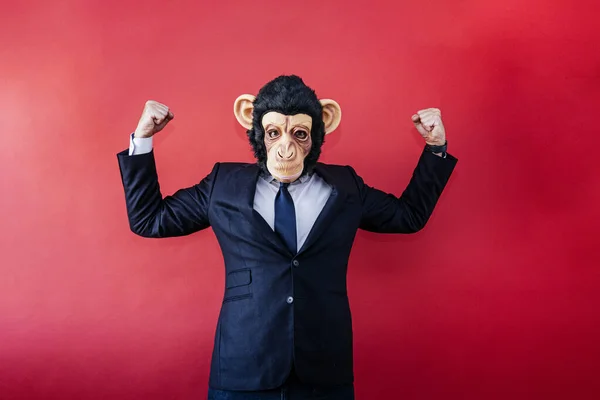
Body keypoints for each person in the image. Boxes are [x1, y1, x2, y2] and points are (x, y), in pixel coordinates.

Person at [116, 75, 457, 400]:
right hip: (243, 367)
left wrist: (436, 147)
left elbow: (408, 216)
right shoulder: (223, 184)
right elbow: (150, 219)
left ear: (322, 126)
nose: (285, 148)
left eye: (299, 134)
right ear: (253, 124)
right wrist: (143, 137)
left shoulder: (346, 185)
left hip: (325, 369)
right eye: (274, 133)